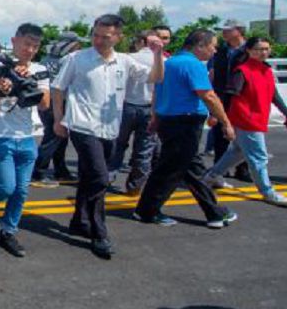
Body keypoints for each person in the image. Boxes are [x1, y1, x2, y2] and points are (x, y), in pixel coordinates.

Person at [51, 14, 163, 258]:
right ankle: (99, 233)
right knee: (101, 178)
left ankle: (79, 221)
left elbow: (155, 78)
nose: (99, 40)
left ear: (118, 37)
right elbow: (58, 88)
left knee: (89, 177)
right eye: (96, 35)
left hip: (110, 129)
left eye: (106, 36)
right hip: (82, 127)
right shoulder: (76, 59)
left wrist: (157, 55)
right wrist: (59, 119)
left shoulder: (124, 61)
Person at [133, 29, 238, 228]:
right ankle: (147, 210)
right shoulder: (193, 64)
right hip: (185, 124)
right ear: (200, 45)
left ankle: (214, 212)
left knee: (192, 170)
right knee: (170, 170)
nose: (214, 51)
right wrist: (226, 122)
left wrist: (155, 118)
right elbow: (208, 95)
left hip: (169, 121)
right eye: (212, 46)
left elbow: (158, 92)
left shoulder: (169, 62)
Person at [0, 23, 50, 257]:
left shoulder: (40, 69)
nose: (30, 49)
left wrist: (30, 82)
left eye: (35, 46)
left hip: (26, 138)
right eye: (26, 44)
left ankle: (8, 231)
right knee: (6, 186)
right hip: (0, 136)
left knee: (21, 190)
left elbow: (45, 104)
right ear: (14, 41)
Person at [202, 36, 287, 205]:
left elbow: (274, 95)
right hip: (245, 119)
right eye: (259, 49)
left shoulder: (267, 70)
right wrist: (218, 116)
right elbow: (229, 96)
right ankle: (267, 191)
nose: (263, 52)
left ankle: (211, 177)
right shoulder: (242, 71)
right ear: (248, 51)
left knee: (237, 152)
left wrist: (285, 111)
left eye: (266, 49)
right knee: (259, 157)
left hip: (258, 117)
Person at [106, 30, 160, 196]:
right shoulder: (163, 61)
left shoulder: (128, 58)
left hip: (126, 105)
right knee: (144, 148)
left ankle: (108, 176)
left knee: (118, 144)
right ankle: (135, 185)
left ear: (140, 42)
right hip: (150, 106)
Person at [32, 32, 80, 184]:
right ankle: (38, 171)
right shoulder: (68, 60)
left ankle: (61, 170)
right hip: (58, 102)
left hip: (45, 101)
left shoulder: (46, 59)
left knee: (60, 138)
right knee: (54, 137)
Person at [209, 20, 250, 181]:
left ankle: (243, 169)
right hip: (222, 96)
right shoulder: (220, 51)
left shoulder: (249, 50)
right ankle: (220, 168)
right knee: (220, 134)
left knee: (244, 135)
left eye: (228, 30)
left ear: (239, 31)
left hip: (242, 97)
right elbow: (213, 74)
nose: (224, 33)